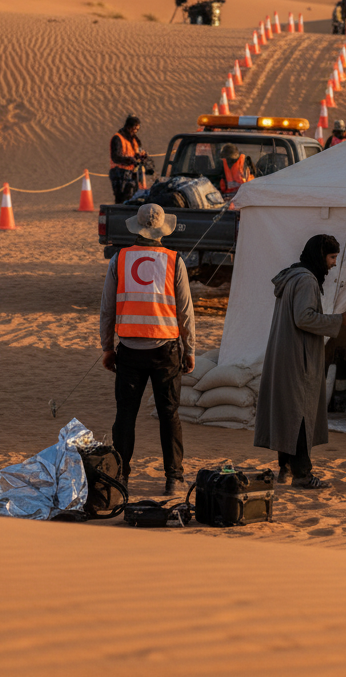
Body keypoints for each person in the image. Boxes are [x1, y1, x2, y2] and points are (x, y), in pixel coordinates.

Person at [100, 202, 196, 496]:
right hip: (165, 350)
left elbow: (107, 309)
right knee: (169, 414)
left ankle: (121, 477)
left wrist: (107, 347)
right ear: (161, 231)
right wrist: (190, 348)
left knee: (125, 416)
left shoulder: (119, 259)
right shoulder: (174, 260)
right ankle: (174, 478)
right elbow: (185, 310)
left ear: (137, 229)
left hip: (128, 350)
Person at [254, 234, 346, 489]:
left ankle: (285, 469)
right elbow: (304, 318)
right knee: (300, 413)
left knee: (288, 411)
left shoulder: (293, 275)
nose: (334, 264)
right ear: (319, 256)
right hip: (297, 356)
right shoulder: (306, 280)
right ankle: (302, 474)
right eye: (332, 257)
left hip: (286, 352)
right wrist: (339, 320)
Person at [109, 115, 147, 204]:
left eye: (137, 129)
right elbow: (115, 157)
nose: (136, 131)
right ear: (129, 127)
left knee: (132, 198)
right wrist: (129, 160)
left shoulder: (134, 139)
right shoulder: (117, 138)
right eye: (134, 128)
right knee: (121, 200)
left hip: (132, 172)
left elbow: (137, 152)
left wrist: (142, 157)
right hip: (118, 172)